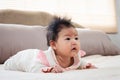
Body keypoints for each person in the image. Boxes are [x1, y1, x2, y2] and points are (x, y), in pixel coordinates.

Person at [4, 17, 96, 73]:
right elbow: (34, 68)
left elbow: (78, 63)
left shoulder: (76, 56)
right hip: (26, 57)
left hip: (32, 58)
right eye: (68, 38)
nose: (74, 42)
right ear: (54, 44)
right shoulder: (44, 59)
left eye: (76, 38)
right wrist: (48, 70)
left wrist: (85, 65)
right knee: (9, 64)